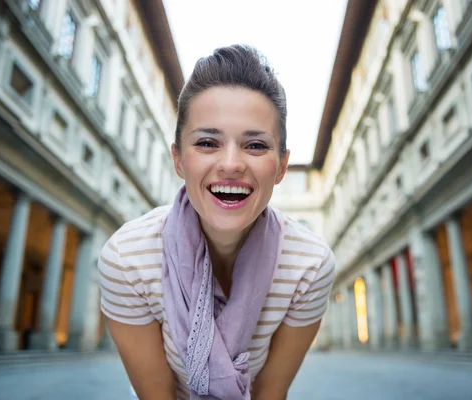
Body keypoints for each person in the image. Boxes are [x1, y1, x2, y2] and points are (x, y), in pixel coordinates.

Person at [98, 44, 335, 400]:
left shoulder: (309, 265)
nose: (230, 164)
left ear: (282, 166)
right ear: (178, 160)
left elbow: (271, 393)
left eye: (255, 146)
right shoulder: (126, 259)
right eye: (207, 142)